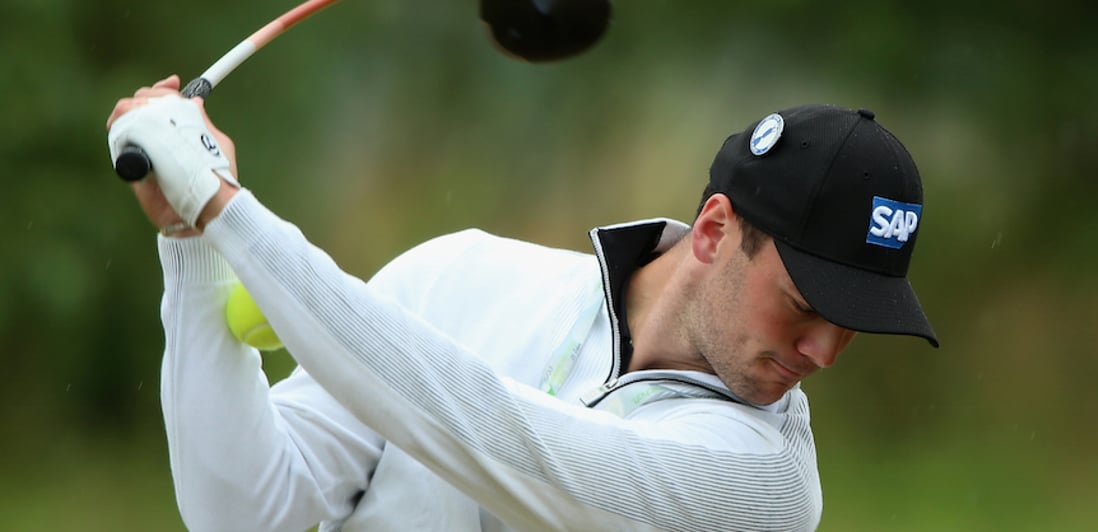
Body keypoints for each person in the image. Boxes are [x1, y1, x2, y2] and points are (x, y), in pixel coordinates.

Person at [107, 75, 939, 531]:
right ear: (717, 230)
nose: (824, 353)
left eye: (853, 325)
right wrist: (191, 242)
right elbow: (245, 516)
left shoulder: (762, 488)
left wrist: (225, 209)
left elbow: (489, 432)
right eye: (804, 305)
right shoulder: (462, 274)